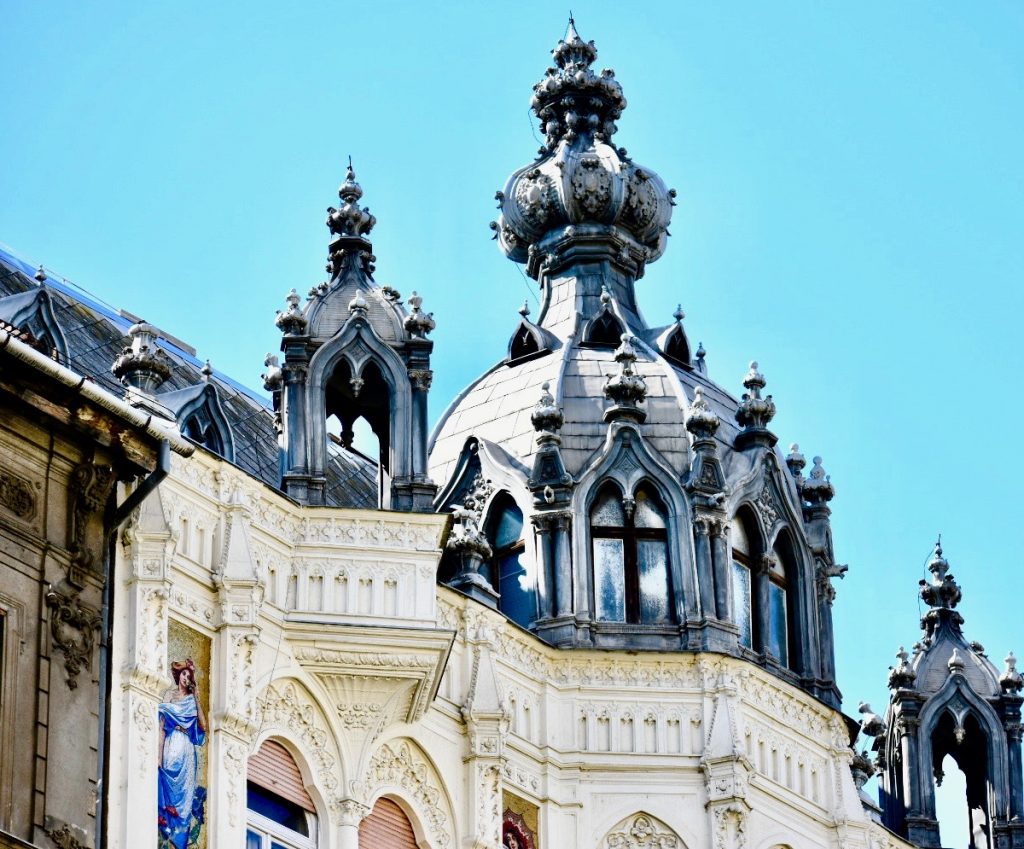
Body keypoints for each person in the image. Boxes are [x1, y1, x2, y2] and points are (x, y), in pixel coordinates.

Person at [158, 659, 207, 849]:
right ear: (179, 675)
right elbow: (161, 727)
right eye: (184, 674)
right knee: (168, 787)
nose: (186, 678)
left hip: (186, 748)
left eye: (189, 676)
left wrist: (197, 697)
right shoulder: (169, 696)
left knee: (185, 797)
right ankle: (165, 834)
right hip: (171, 744)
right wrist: (158, 757)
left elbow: (203, 726)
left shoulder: (192, 701)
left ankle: (179, 842)